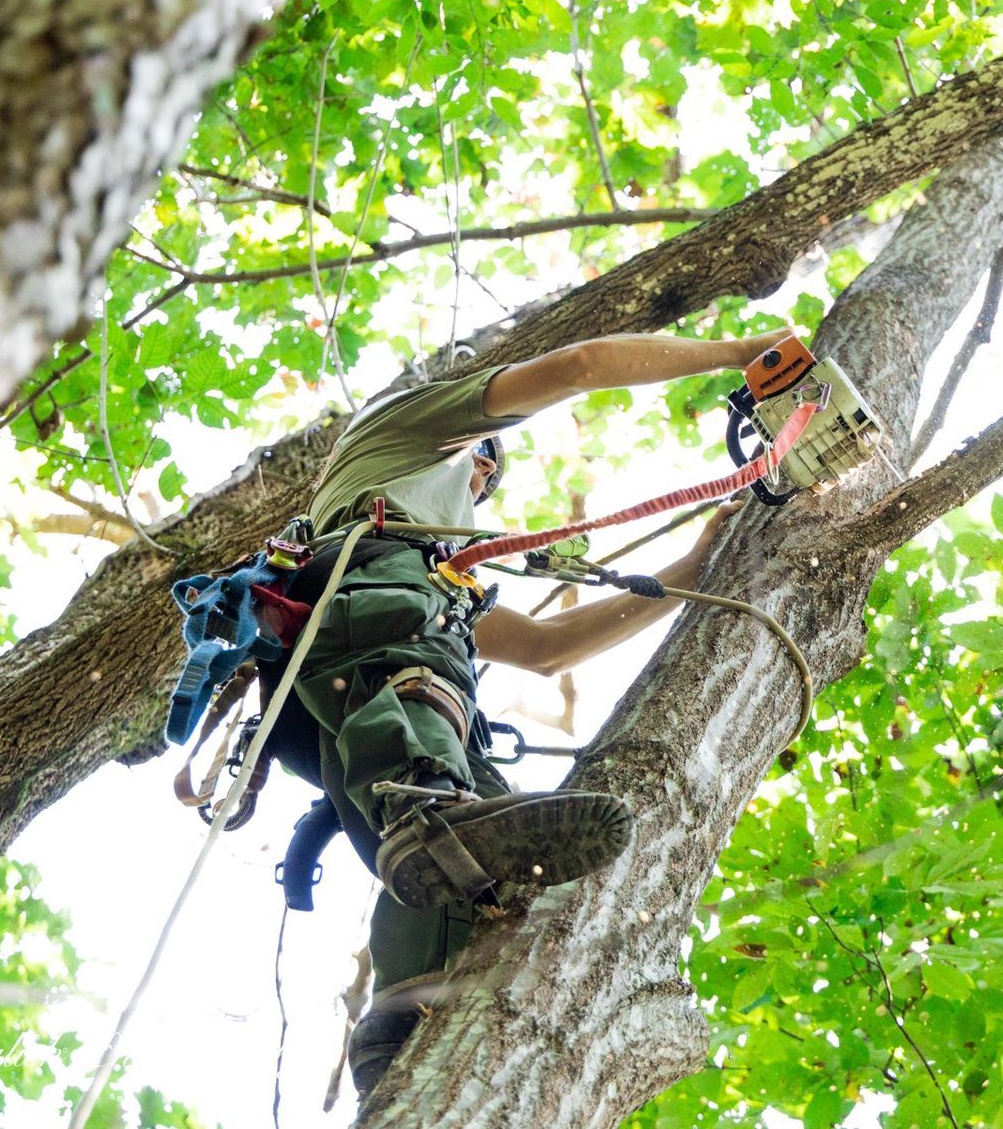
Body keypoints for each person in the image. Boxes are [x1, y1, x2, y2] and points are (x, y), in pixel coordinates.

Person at [261, 330, 787, 1097]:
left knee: (483, 822)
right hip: (372, 623)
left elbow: (545, 649)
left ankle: (400, 1021)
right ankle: (425, 810)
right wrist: (743, 352)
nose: (480, 488)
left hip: (343, 689)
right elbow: (579, 366)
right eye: (483, 468)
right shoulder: (406, 443)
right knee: (429, 721)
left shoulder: (442, 575)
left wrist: (693, 566)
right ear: (471, 448)